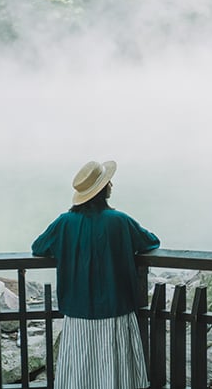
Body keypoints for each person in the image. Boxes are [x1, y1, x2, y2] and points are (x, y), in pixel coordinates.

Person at [31, 160, 159, 389]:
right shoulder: (119, 220)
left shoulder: (64, 222)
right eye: (108, 181)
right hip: (115, 310)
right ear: (102, 190)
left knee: (80, 374)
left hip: (78, 313)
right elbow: (150, 241)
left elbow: (39, 247)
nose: (111, 184)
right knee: (116, 371)